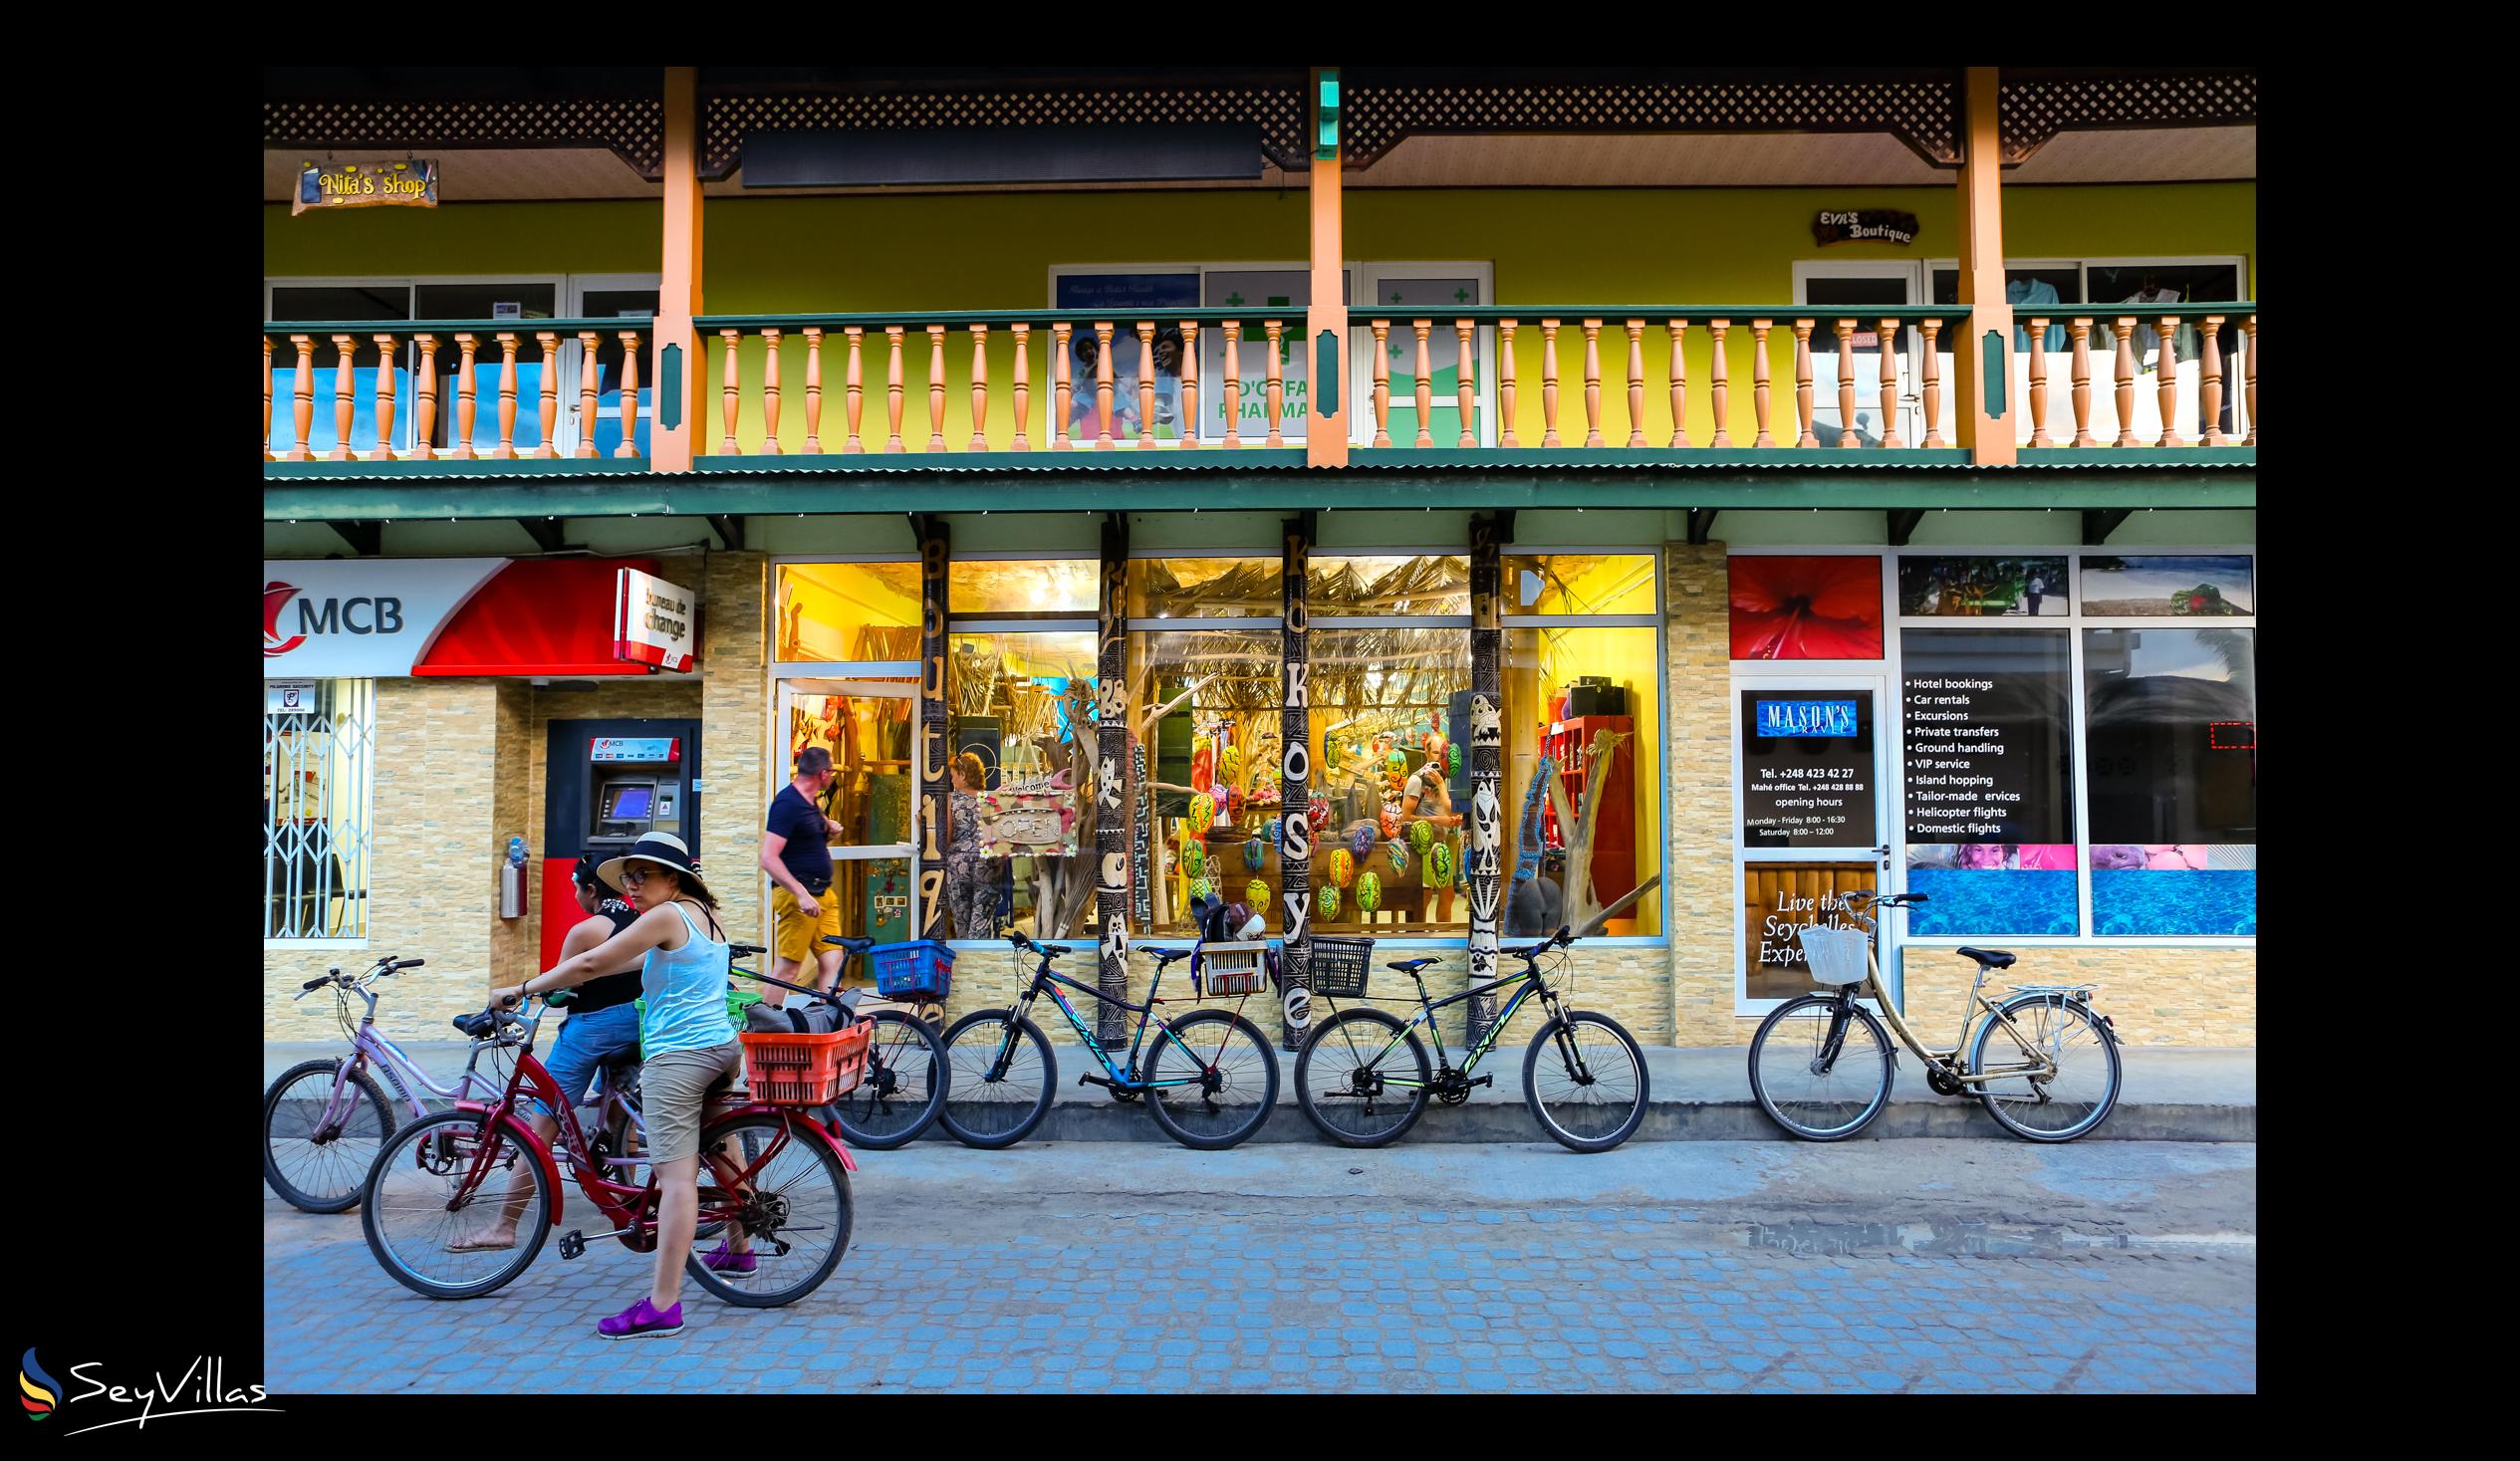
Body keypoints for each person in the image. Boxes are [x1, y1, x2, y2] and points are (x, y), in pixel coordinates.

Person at [492, 832, 745, 1340]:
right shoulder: (703, 916)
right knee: (719, 1147)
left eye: (643, 874)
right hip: (722, 1051)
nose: (632, 884)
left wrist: (519, 989)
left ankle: (662, 1306)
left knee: (676, 1180)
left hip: (680, 1060)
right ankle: (740, 1250)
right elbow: (622, 960)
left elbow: (592, 962)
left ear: (673, 878)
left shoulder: (667, 915)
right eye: (627, 876)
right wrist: (575, 976)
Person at [446, 854, 644, 1253]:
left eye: (577, 888)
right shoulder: (640, 923)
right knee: (625, 1119)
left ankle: (505, 1225)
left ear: (591, 891)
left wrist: (521, 990)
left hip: (594, 1029)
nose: (575, 895)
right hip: (638, 1026)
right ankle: (627, 1202)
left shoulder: (586, 930)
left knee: (542, 1128)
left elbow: (561, 986)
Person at [761, 747, 847, 1000]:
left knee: (833, 959)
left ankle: (831, 1021)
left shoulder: (810, 801)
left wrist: (828, 831)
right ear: (822, 773)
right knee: (788, 969)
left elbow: (804, 846)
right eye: (830, 771)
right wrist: (800, 894)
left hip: (823, 896)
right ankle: (763, 1031)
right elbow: (768, 858)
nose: (832, 776)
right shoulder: (787, 804)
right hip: (800, 897)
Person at [1395, 736, 1463, 923]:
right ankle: (1417, 937)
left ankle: (1443, 937)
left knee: (1447, 894)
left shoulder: (1448, 779)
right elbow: (1405, 817)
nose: (1440, 759)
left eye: (1443, 754)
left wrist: (1451, 820)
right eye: (1435, 753)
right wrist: (1438, 820)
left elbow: (1451, 808)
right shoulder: (1417, 780)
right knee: (1423, 895)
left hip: (1444, 843)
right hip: (1423, 845)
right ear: (1426, 752)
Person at [945, 751, 1004, 939]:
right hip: (988, 864)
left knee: (961, 922)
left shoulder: (951, 800)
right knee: (981, 924)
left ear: (962, 775)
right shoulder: (993, 800)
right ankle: (980, 960)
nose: (952, 781)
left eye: (953, 776)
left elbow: (946, 837)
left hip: (958, 867)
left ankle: (963, 962)